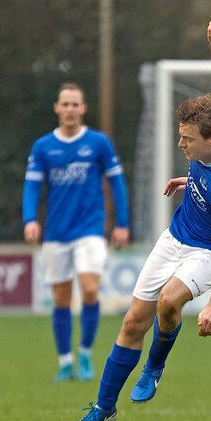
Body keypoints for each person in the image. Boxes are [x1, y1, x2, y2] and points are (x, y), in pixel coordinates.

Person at [65, 16, 211, 421]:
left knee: (170, 302)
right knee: (134, 319)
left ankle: (155, 364)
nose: (180, 144)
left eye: (187, 139)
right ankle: (102, 407)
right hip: (178, 235)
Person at [22, 82, 130, 382]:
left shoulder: (98, 143)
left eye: (75, 104)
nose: (69, 109)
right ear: (57, 108)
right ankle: (65, 361)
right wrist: (30, 219)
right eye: (64, 104)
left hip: (90, 229)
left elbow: (117, 183)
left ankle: (84, 353)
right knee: (61, 299)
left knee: (91, 289)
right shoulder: (43, 146)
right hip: (56, 234)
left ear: (83, 109)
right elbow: (32, 186)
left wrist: (122, 223)